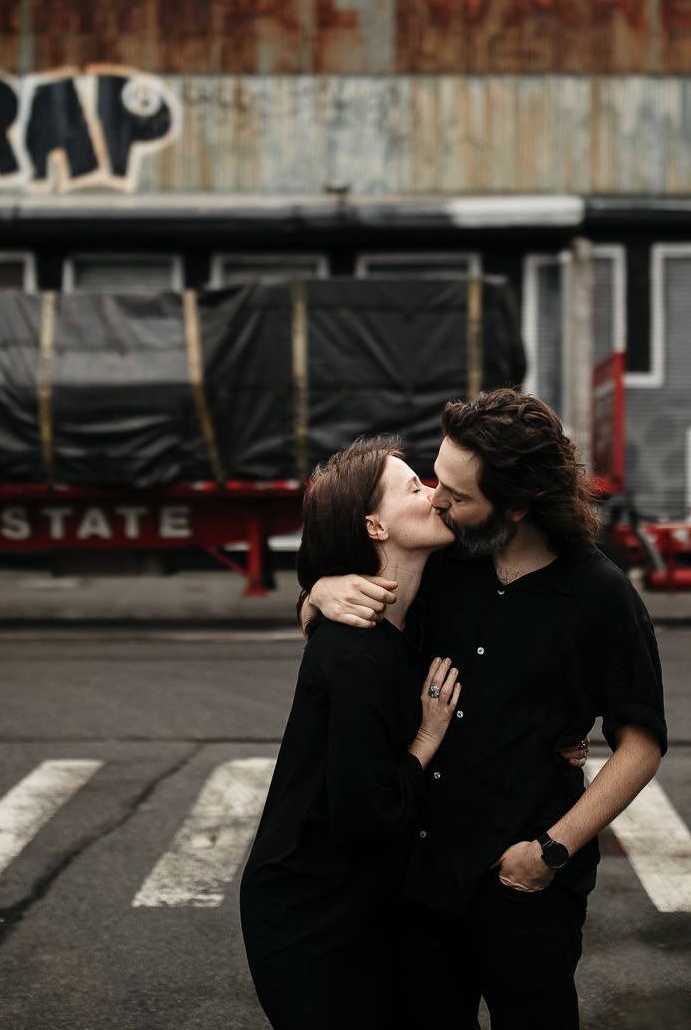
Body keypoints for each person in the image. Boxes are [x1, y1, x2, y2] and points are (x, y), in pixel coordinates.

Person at [302, 389, 667, 1029]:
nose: (437, 500)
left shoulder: (599, 595)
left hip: (521, 878)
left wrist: (552, 851)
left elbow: (642, 743)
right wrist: (320, 592)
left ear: (518, 506)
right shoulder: (446, 562)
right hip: (422, 872)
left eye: (457, 493)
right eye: (435, 480)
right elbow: (354, 618)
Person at [239, 436, 461, 1030]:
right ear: (375, 526)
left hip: (360, 903)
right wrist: (427, 740)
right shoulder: (357, 654)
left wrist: (314, 593)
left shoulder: (406, 616)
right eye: (415, 487)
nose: (435, 492)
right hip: (310, 916)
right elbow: (367, 813)